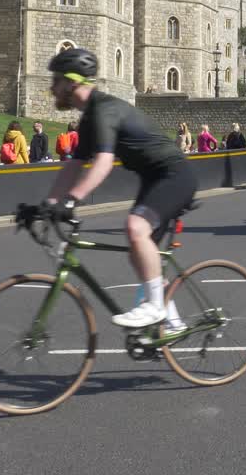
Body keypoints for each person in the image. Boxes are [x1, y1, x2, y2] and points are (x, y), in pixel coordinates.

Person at [45, 48, 194, 329]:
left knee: (135, 229)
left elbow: (102, 164)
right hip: (153, 178)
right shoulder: (89, 117)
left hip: (175, 175)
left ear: (73, 81)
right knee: (138, 252)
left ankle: (154, 307)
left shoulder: (104, 110)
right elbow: (74, 165)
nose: (52, 87)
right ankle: (173, 325)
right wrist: (49, 203)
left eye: (57, 80)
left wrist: (70, 200)